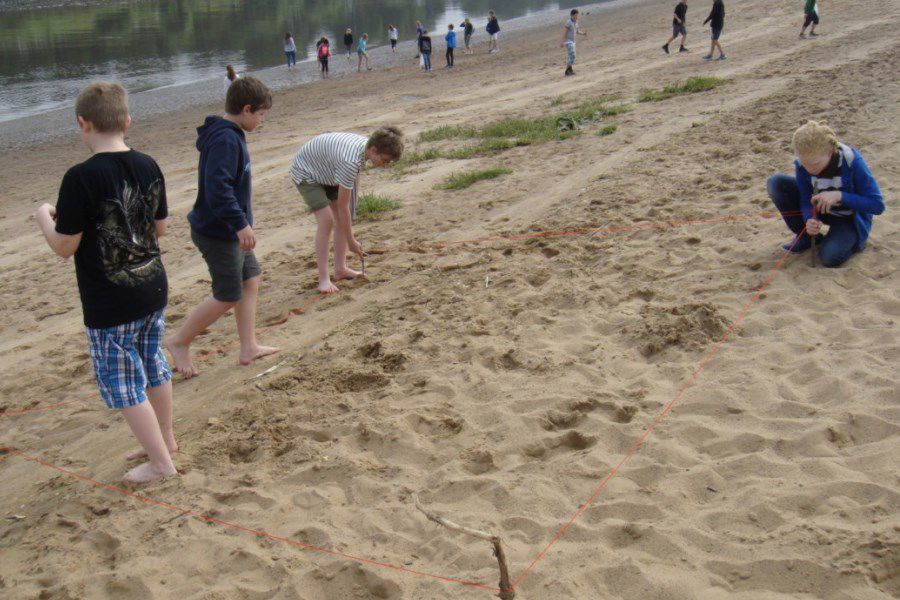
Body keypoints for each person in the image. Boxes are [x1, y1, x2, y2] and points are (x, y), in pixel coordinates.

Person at [35, 82, 178, 484]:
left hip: (111, 300)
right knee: (153, 365)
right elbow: (160, 228)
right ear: (127, 122)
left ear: (82, 123)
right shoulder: (149, 164)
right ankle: (164, 441)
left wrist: (44, 215)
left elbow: (65, 246)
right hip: (153, 287)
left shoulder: (81, 177)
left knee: (123, 379)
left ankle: (161, 462)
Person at [166, 77, 279, 378]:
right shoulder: (226, 139)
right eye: (261, 113)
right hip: (218, 232)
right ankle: (179, 341)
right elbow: (218, 190)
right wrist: (240, 224)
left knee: (250, 280)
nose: (262, 119)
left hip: (229, 228)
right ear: (245, 109)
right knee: (228, 293)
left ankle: (248, 346)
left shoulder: (230, 134)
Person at [290, 128, 404, 294]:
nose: (385, 165)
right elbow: (344, 204)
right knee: (327, 221)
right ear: (374, 150)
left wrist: (353, 205)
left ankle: (340, 269)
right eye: (385, 160)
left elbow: (350, 193)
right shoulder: (349, 161)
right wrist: (351, 242)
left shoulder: (364, 149)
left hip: (328, 169)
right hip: (307, 172)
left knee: (344, 217)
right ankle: (323, 279)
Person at [766, 120, 884, 267]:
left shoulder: (852, 161)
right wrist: (809, 219)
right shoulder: (803, 164)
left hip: (848, 217)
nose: (809, 169)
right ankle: (805, 237)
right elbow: (805, 199)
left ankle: (850, 239)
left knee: (829, 258)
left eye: (814, 164)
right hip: (821, 211)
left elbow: (877, 205)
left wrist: (839, 196)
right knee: (776, 182)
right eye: (804, 163)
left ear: (829, 152)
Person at [560, 8, 587, 76]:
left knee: (571, 56)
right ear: (572, 15)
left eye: (577, 15)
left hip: (573, 41)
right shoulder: (568, 22)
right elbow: (564, 32)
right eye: (575, 15)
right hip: (568, 42)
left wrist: (583, 33)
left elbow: (577, 31)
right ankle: (567, 70)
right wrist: (562, 42)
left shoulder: (576, 22)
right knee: (573, 55)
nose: (577, 17)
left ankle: (570, 70)